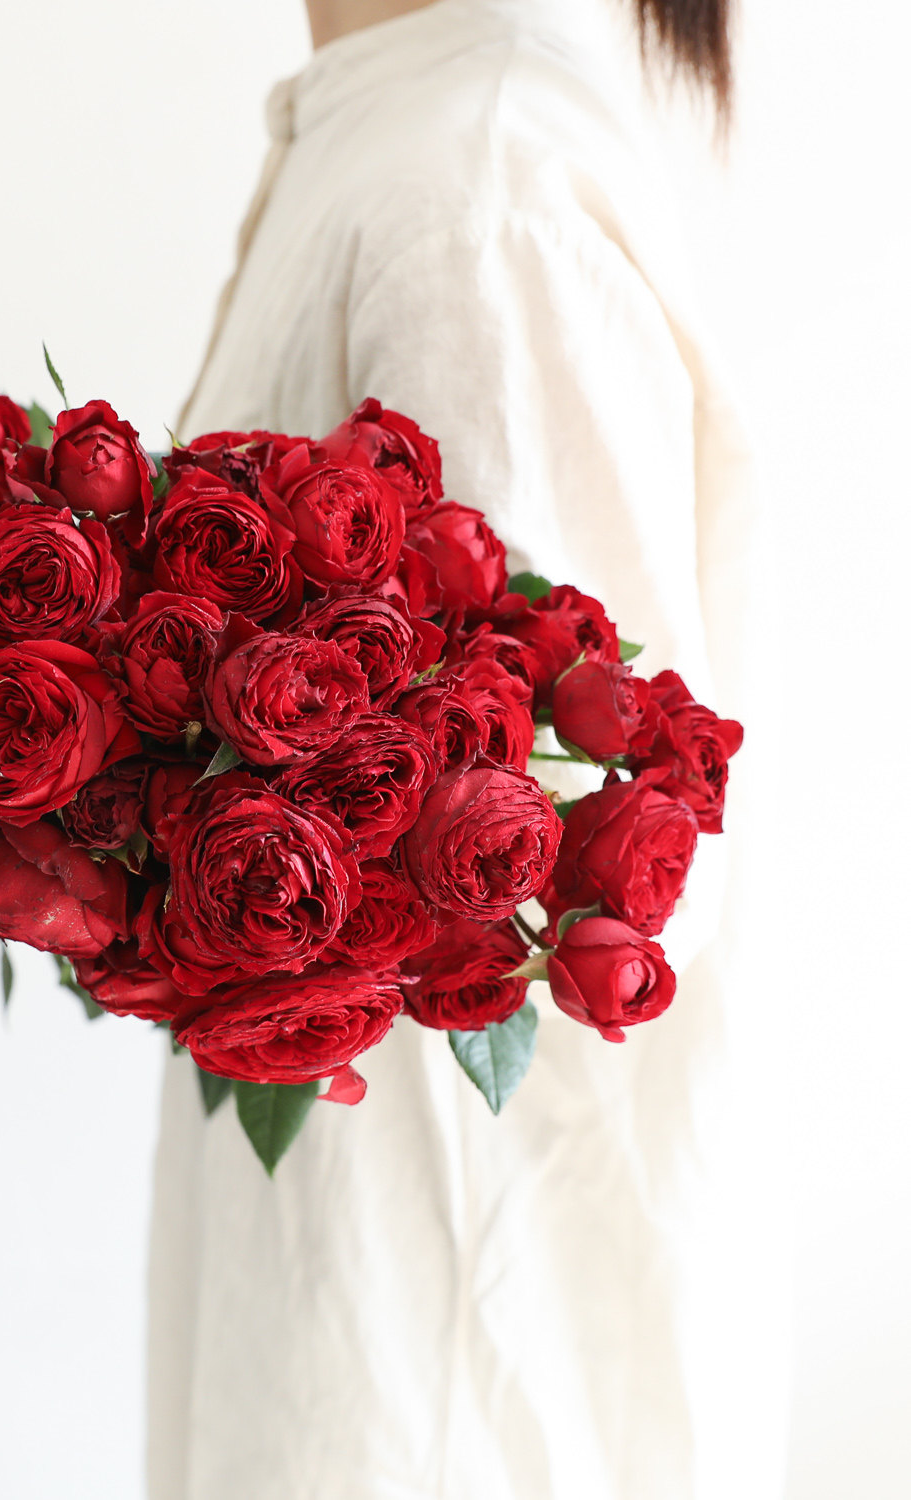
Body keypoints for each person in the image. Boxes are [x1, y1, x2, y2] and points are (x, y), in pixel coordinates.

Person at [147, 2, 786, 1497]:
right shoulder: (394, 135)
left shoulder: (474, 192)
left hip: (452, 1353)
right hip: (339, 1267)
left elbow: (553, 859)